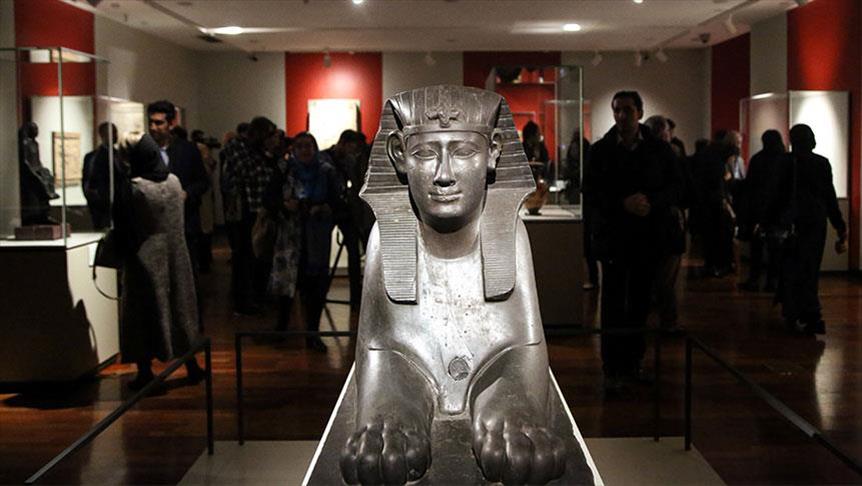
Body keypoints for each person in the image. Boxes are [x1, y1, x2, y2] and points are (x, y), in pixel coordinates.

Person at [584, 91, 679, 392]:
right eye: (617, 110)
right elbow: (592, 192)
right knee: (612, 303)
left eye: (627, 110)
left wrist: (650, 202)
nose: (621, 116)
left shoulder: (659, 151)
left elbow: (677, 187)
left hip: (647, 238)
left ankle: (634, 362)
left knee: (640, 302)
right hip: (614, 239)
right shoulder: (601, 151)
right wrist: (622, 204)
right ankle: (613, 367)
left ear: (639, 112)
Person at [112, 132, 205, 390]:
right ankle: (192, 365)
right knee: (180, 307)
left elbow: (123, 225)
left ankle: (145, 372)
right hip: (177, 253)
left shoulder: (135, 187)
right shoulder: (174, 181)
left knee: (143, 312)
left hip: (145, 257)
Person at [777, 124, 847, 335]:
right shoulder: (821, 163)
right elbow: (829, 197)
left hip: (790, 221)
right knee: (810, 268)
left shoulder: (785, 162)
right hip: (815, 221)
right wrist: (839, 225)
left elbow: (776, 194)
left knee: (790, 267)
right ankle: (810, 312)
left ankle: (792, 309)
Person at [147, 101, 210, 325]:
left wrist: (187, 194)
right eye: (151, 123)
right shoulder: (144, 152)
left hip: (184, 225)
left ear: (171, 124)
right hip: (155, 227)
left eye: (159, 123)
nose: (154, 128)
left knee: (187, 277)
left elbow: (203, 181)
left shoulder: (187, 150)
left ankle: (191, 325)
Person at [644, 115, 686, 331]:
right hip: (666, 226)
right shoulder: (671, 154)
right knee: (665, 280)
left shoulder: (644, 154)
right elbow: (682, 190)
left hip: (653, 225)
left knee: (658, 279)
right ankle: (668, 322)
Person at [739, 129, 786, 292]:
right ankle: (772, 281)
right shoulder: (784, 159)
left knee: (757, 248)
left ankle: (754, 280)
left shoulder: (758, 159)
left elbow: (750, 187)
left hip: (758, 209)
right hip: (778, 210)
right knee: (775, 250)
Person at [322, 130, 364, 310]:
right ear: (344, 143)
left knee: (354, 252)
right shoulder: (324, 159)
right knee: (322, 252)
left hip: (343, 210)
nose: (353, 153)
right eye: (352, 148)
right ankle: (319, 294)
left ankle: (356, 297)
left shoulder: (347, 161)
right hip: (328, 208)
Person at [220, 122, 257, 314]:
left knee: (244, 255)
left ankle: (244, 298)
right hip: (243, 210)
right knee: (243, 254)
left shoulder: (238, 149)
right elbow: (249, 173)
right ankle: (242, 300)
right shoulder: (237, 149)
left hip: (243, 209)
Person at [82, 122, 119, 230]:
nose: (115, 136)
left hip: (117, 203)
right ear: (103, 135)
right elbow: (87, 182)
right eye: (112, 133)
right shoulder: (93, 157)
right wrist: (94, 201)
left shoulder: (119, 155)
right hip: (101, 205)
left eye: (115, 132)